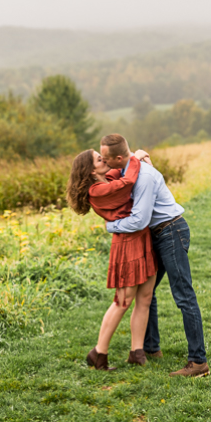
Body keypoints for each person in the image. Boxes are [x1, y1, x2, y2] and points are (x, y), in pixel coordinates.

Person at [100, 133, 209, 377]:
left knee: (184, 295)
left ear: (119, 157)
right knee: (145, 292)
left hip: (170, 232)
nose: (104, 162)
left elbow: (139, 220)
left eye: (106, 158)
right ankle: (150, 348)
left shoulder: (143, 177)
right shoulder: (128, 169)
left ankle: (198, 362)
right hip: (157, 235)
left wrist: (111, 226)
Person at [67, 148, 157, 370]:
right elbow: (127, 181)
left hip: (142, 238)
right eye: (100, 159)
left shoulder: (107, 177)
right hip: (127, 245)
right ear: (90, 171)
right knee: (122, 301)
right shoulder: (97, 191)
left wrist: (134, 156)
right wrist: (136, 157)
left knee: (145, 297)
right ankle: (99, 353)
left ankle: (137, 352)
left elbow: (123, 169)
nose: (104, 159)